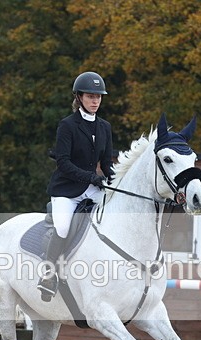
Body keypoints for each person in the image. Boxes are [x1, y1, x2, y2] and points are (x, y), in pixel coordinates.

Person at [37, 71, 115, 301]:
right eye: (91, 96)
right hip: (66, 190)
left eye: (99, 97)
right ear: (79, 97)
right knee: (62, 228)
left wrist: (111, 181)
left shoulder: (105, 127)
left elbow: (107, 163)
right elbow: (63, 163)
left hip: (92, 187)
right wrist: (91, 178)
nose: (95, 101)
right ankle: (48, 275)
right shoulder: (67, 126)